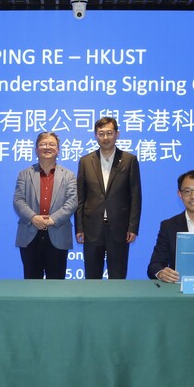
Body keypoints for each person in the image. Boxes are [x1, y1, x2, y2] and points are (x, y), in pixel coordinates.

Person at [74, 117, 142, 279]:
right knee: (92, 276)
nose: (105, 137)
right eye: (101, 133)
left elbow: (135, 195)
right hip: (92, 228)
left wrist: (132, 227)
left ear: (117, 134)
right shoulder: (85, 161)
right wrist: (79, 228)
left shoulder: (129, 160)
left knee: (118, 276)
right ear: (95, 135)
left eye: (109, 133)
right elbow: (80, 198)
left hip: (119, 228)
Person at [14, 132, 78, 279]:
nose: (47, 147)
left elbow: (72, 201)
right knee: (31, 282)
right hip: (30, 234)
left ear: (58, 150)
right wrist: (33, 217)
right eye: (43, 144)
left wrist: (53, 219)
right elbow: (18, 200)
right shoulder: (25, 174)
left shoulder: (68, 175)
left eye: (51, 144)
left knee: (56, 285)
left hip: (58, 233)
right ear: (36, 149)